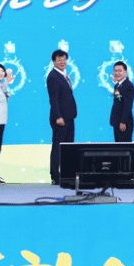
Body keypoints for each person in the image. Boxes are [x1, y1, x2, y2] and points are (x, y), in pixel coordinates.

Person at [46, 49, 77, 185]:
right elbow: (53, 99)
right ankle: (55, 176)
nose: (62, 62)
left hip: (69, 116)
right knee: (58, 147)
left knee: (68, 147)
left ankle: (67, 174)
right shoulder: (53, 76)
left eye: (64, 59)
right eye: (59, 60)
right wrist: (58, 116)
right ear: (54, 61)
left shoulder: (64, 75)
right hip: (60, 118)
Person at [110, 61, 134, 142]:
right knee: (117, 147)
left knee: (124, 147)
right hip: (116, 121)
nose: (117, 73)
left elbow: (128, 105)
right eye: (115, 71)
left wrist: (123, 121)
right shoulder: (117, 85)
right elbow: (118, 100)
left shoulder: (129, 86)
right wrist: (117, 85)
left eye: (120, 71)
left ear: (125, 72)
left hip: (124, 123)